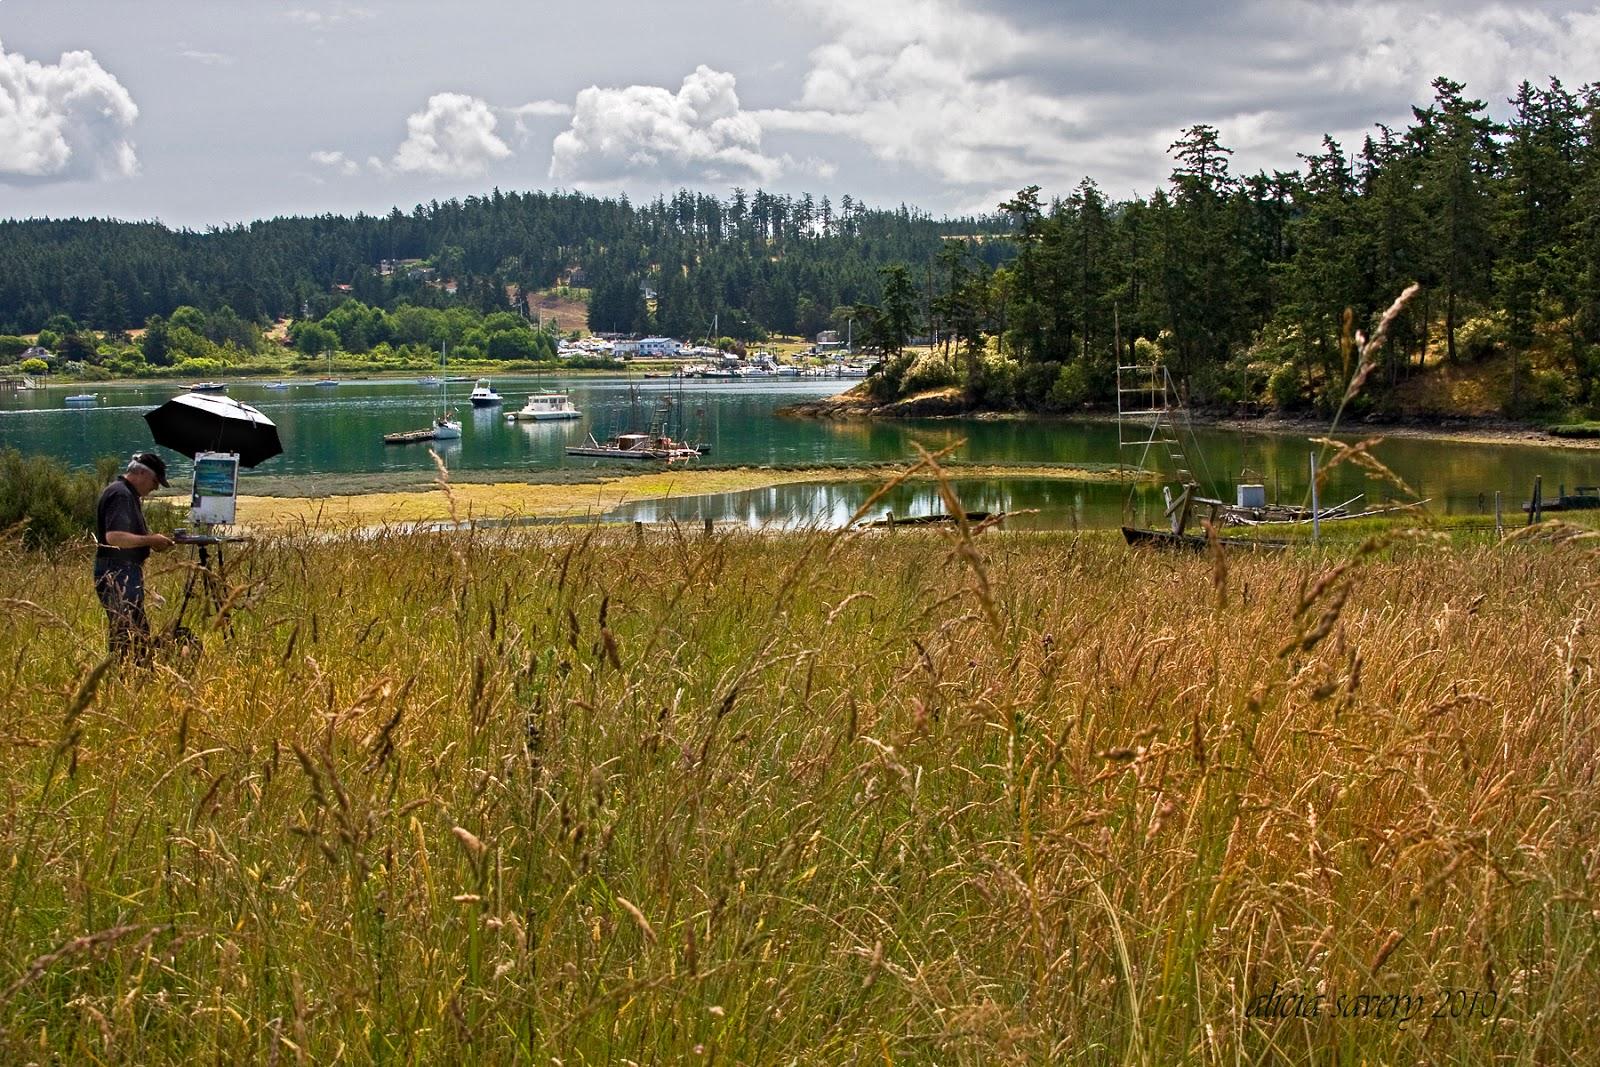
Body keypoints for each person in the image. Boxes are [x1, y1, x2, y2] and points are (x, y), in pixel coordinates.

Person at [95, 451, 175, 659]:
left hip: (123, 571)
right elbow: (114, 537)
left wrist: (152, 542)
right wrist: (151, 540)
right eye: (155, 481)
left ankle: (129, 677)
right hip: (117, 572)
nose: (156, 487)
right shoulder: (121, 494)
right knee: (129, 634)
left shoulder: (128, 494)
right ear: (140, 473)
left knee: (133, 633)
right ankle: (127, 678)